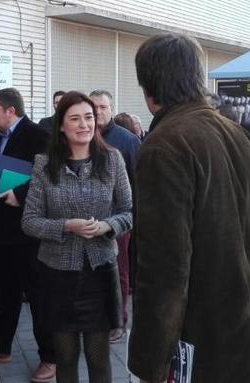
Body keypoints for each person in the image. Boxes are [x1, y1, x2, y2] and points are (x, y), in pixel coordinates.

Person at [127, 33, 250, 382]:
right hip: (246, 329)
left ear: (149, 91)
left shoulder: (164, 145)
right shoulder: (240, 136)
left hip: (198, 341)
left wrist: (150, 361)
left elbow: (164, 268)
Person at [22, 91, 132, 383]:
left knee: (98, 357)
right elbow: (30, 222)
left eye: (89, 117)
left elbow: (129, 211)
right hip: (57, 274)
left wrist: (108, 225)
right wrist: (66, 226)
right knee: (66, 356)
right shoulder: (45, 165)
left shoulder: (112, 160)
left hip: (99, 271)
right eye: (75, 118)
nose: (84, 124)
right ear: (61, 125)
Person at [0, 88, 56, 382]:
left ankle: (50, 356)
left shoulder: (37, 135)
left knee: (39, 296)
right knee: (6, 293)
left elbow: (50, 179)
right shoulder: (1, 139)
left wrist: (20, 194)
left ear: (10, 111)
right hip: (3, 233)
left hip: (28, 234)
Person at [89, 89, 140, 343]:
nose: (97, 112)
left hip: (117, 220)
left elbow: (138, 180)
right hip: (85, 221)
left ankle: (118, 321)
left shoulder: (127, 141)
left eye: (103, 107)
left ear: (111, 109)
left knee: (117, 272)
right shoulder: (80, 137)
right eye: (93, 107)